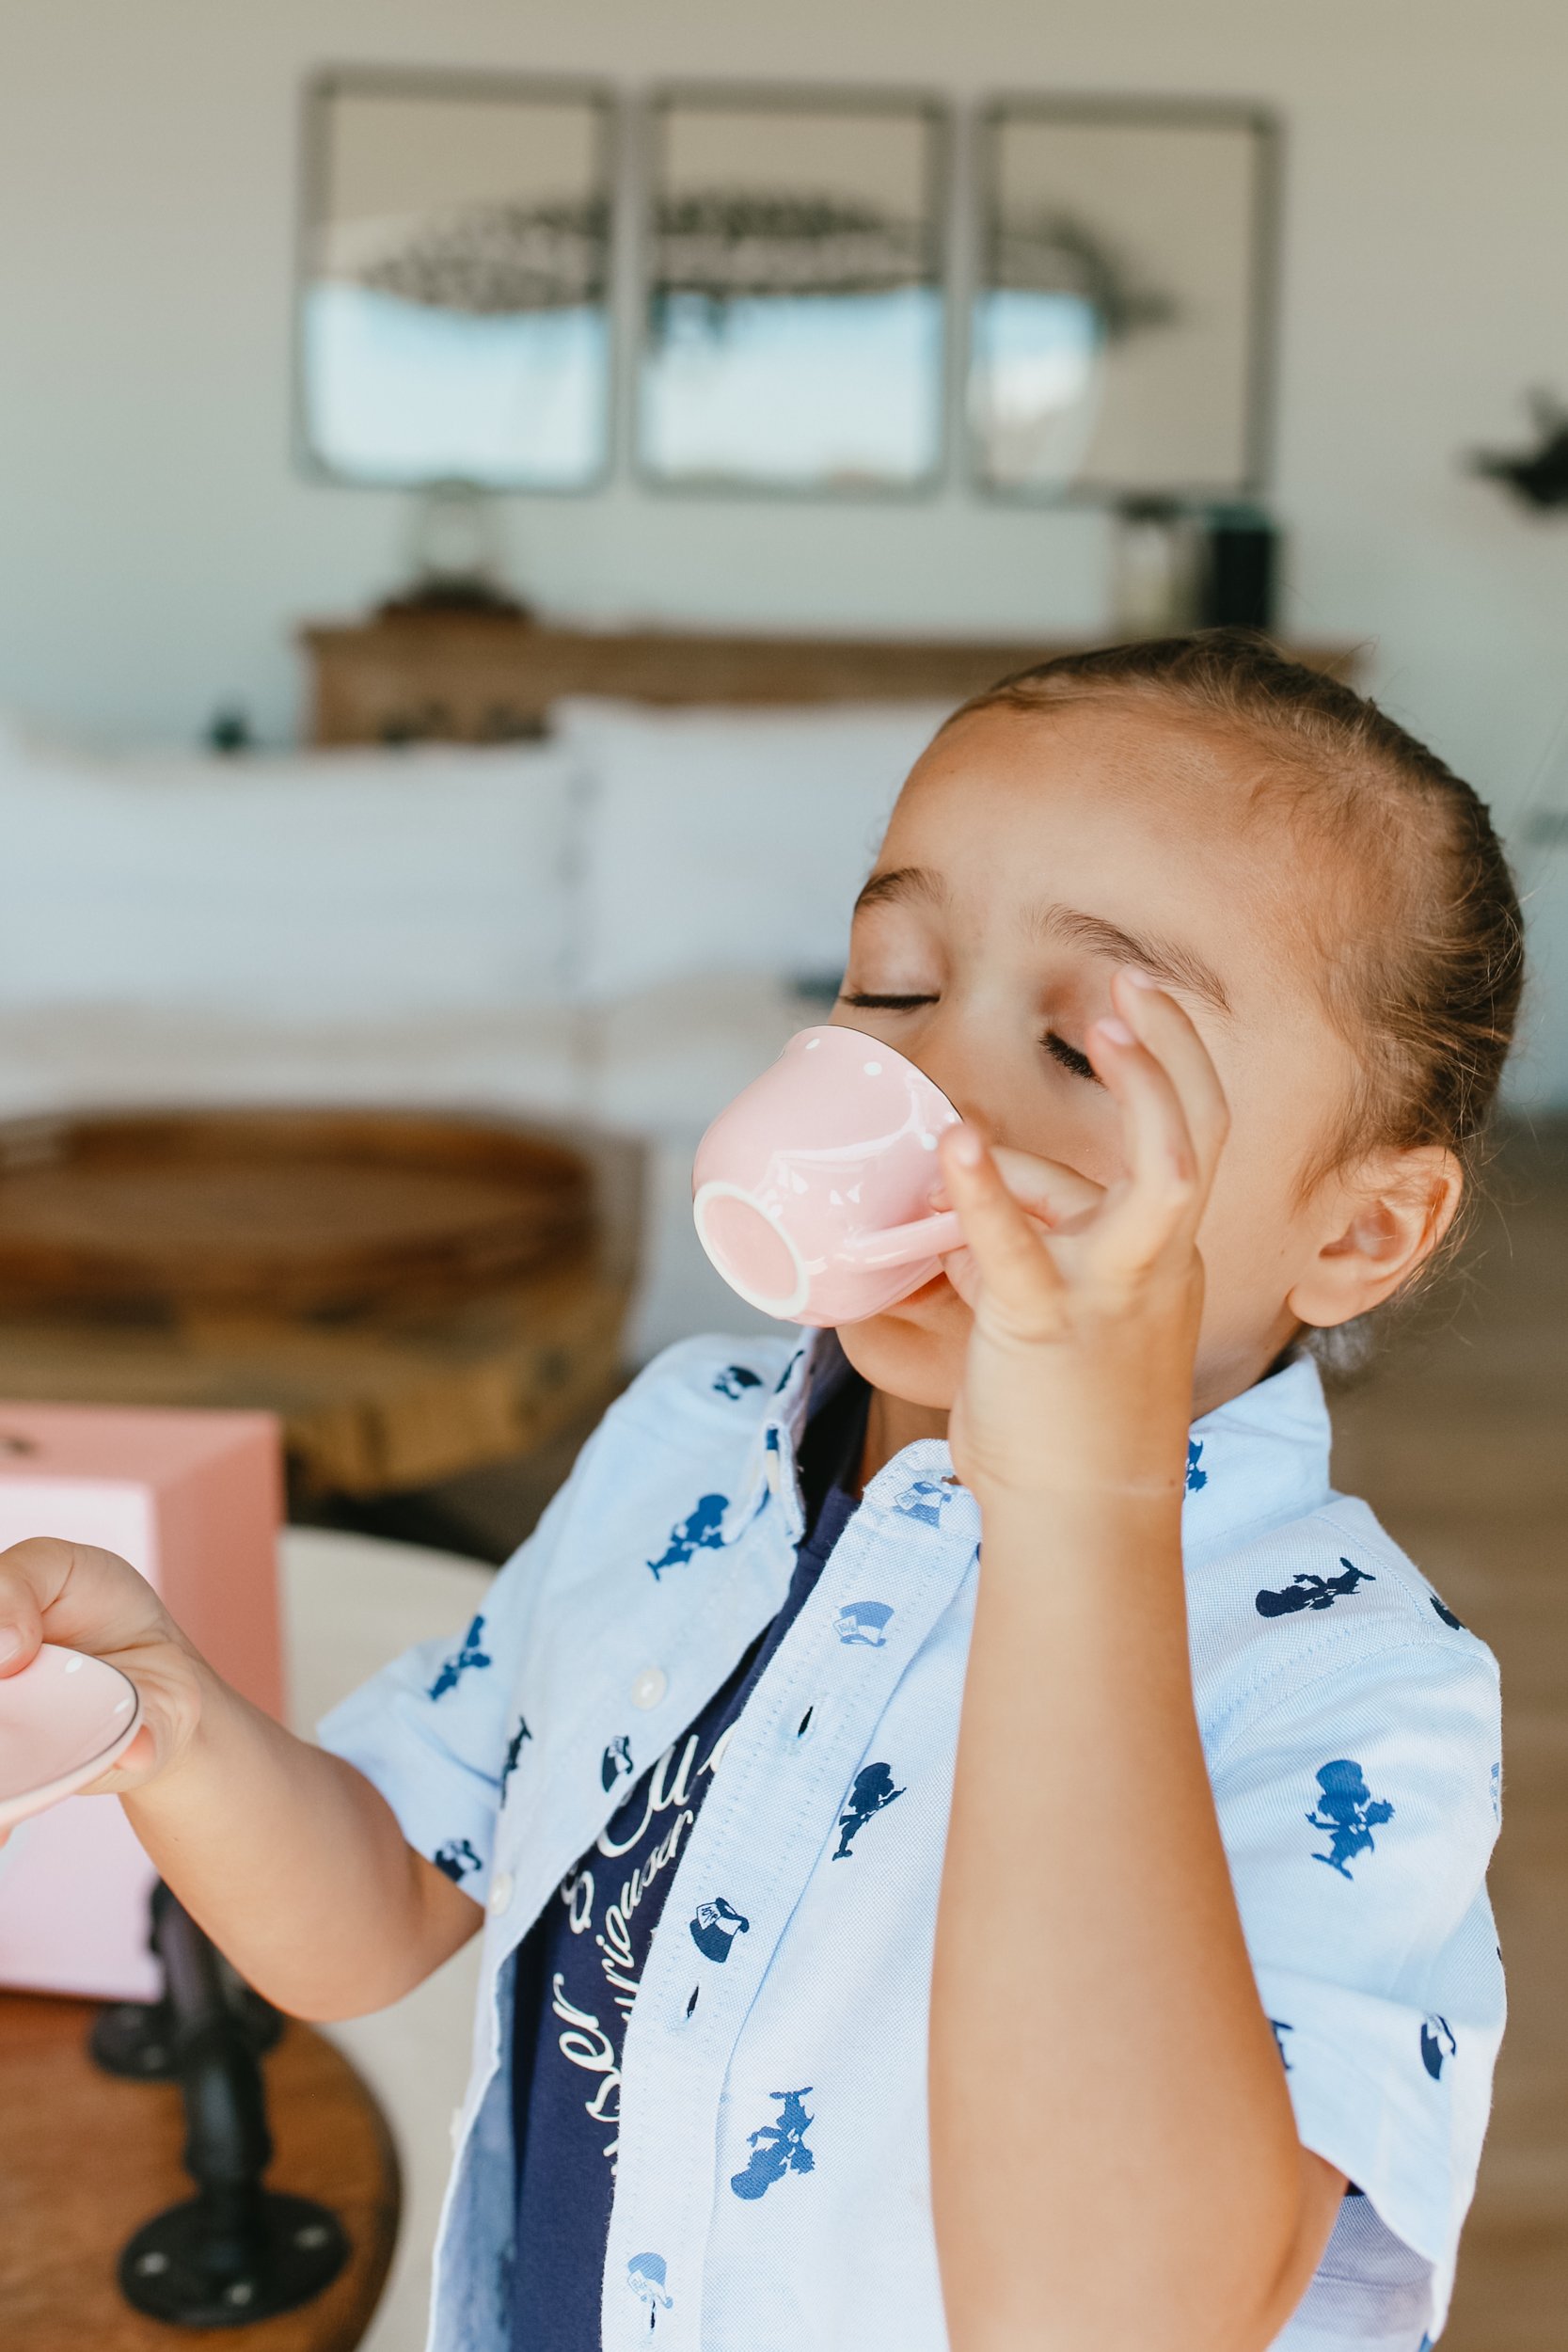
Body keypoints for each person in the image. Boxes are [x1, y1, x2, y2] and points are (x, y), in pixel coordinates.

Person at [0, 633, 1522, 2351]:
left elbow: (1116, 2316)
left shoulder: (1350, 1686)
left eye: (1088, 1053)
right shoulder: (685, 1442)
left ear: (1359, 1231)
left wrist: (1080, 1503)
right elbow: (381, 1906)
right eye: (888, 983)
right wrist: (165, 1722)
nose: (932, 1081)